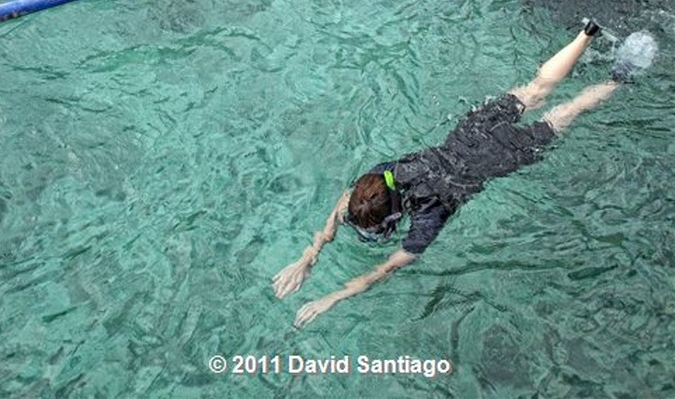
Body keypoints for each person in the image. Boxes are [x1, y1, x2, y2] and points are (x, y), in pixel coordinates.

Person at [273, 20, 656, 328]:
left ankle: (619, 78)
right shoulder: (380, 176)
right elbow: (343, 206)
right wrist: (309, 257)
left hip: (497, 158)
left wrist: (332, 297)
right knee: (535, 90)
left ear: (392, 216)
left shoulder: (428, 215)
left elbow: (384, 270)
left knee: (563, 115)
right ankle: (585, 34)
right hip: (472, 130)